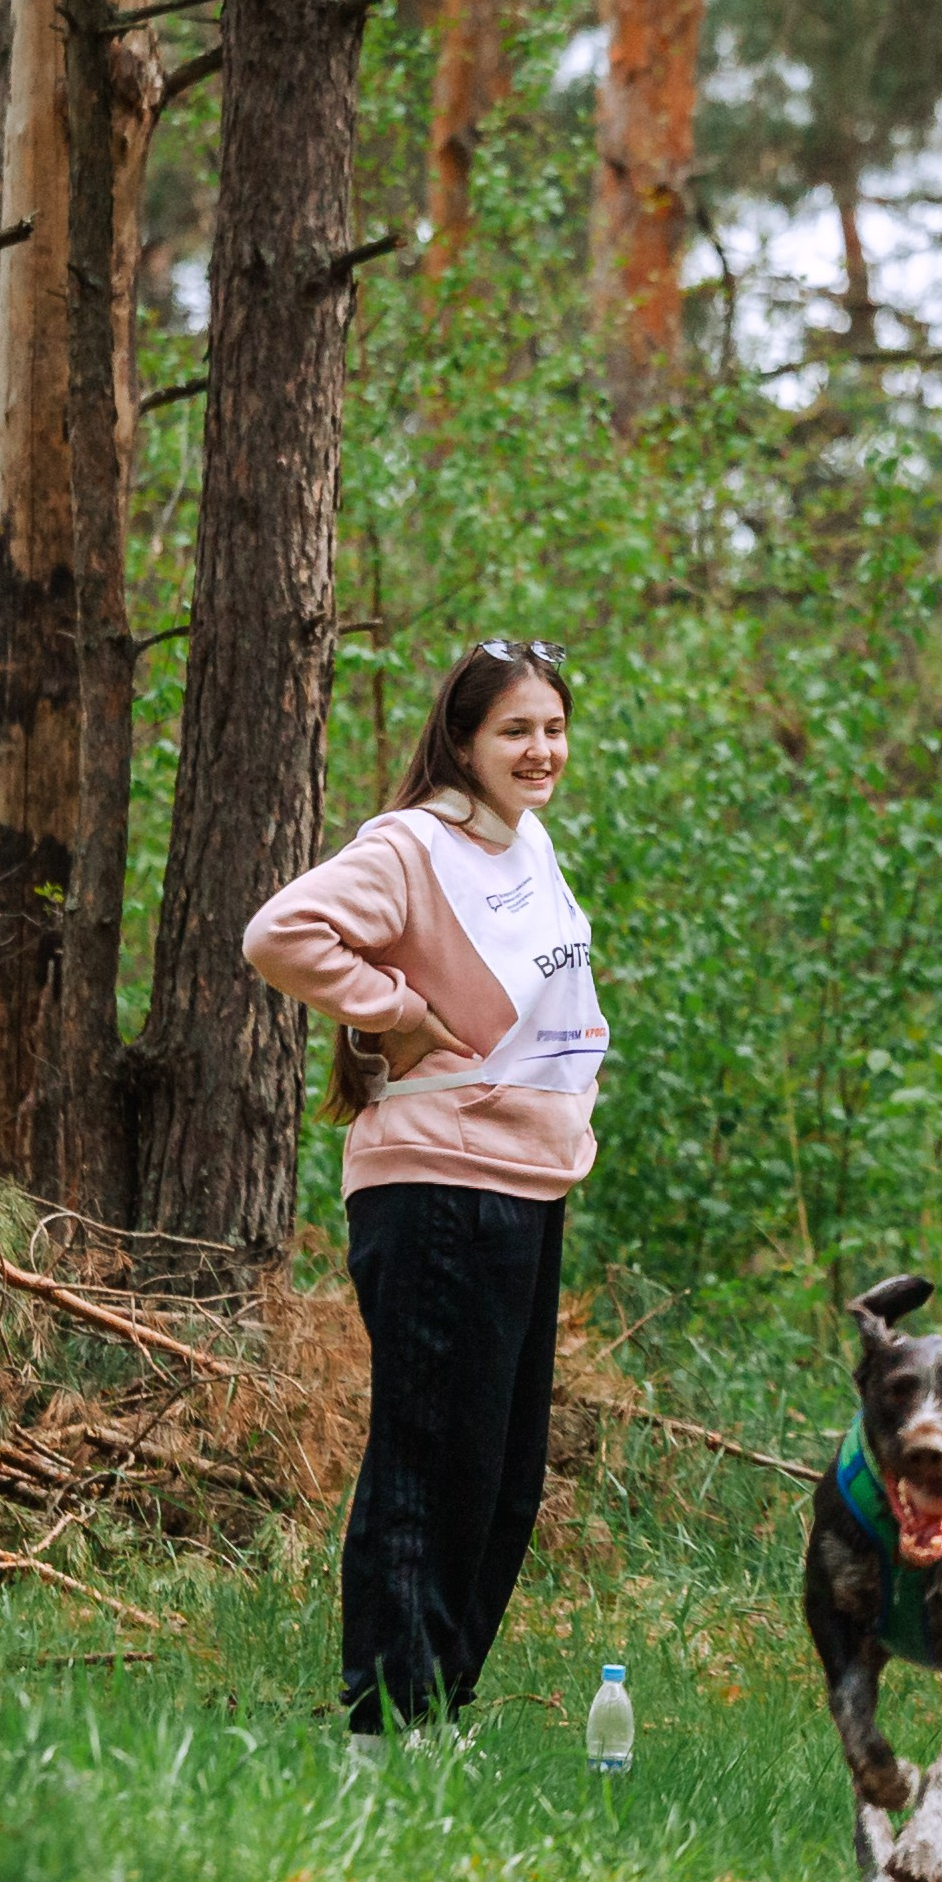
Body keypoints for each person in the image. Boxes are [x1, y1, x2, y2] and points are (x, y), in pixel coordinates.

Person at [244, 641, 608, 1746]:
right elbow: (279, 934)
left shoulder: (526, 843)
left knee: (501, 1473)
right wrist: (394, 1012)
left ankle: (437, 1710)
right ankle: (381, 1729)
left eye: (551, 729)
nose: (539, 750)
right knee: (428, 1456)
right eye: (515, 732)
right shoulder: (410, 847)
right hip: (437, 1179)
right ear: (462, 741)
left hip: (530, 1178)